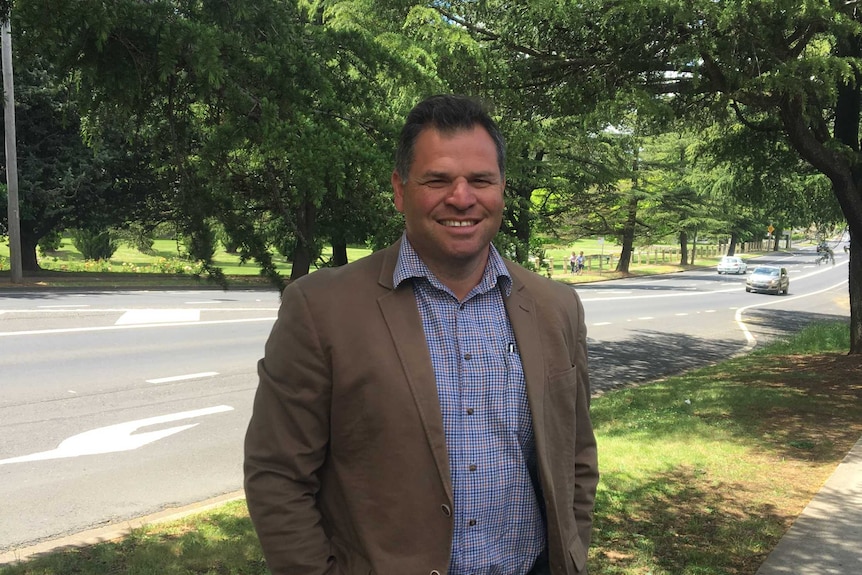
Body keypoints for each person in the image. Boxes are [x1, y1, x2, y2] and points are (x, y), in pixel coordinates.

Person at [243, 94, 599, 575]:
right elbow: (278, 476)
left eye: (480, 180)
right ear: (399, 189)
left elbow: (575, 452)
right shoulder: (320, 308)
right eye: (437, 180)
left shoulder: (556, 306)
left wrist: (572, 553)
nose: (461, 197)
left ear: (501, 189)